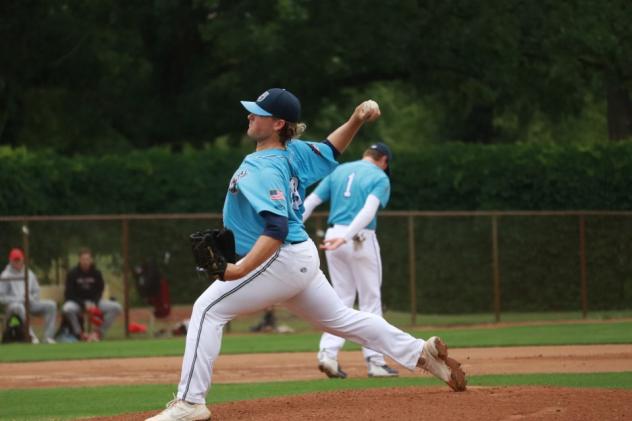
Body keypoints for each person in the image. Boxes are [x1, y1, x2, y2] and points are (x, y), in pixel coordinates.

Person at [146, 88, 466, 421]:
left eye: (258, 112)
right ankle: (421, 352)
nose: (249, 115)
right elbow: (331, 148)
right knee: (343, 319)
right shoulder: (293, 152)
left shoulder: (266, 167)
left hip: (281, 257)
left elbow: (276, 229)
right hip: (299, 258)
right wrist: (356, 119)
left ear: (278, 122)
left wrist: (239, 270)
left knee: (207, 309)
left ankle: (191, 402)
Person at [302, 142, 397, 378]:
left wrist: (287, 229)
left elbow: (310, 202)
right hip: (358, 237)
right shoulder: (380, 176)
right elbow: (367, 212)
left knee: (341, 301)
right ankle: (375, 361)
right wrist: (347, 237)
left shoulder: (340, 170)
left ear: (367, 154)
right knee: (370, 302)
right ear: (383, 160)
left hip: (333, 236)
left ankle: (328, 354)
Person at [62, 248, 122, 341]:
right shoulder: (72, 273)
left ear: (91, 260)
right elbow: (69, 294)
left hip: (95, 302)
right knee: (67, 308)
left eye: (87, 259)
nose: (85, 262)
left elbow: (100, 290)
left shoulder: (96, 273)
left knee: (117, 307)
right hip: (78, 303)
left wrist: (94, 303)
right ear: (79, 260)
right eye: (83, 259)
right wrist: (83, 304)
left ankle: (98, 333)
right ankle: (80, 334)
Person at [0, 248, 57, 344]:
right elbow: (1, 298)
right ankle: (31, 337)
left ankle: (48, 337)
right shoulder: (5, 276)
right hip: (13, 307)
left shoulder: (29, 274)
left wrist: (31, 298)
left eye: (19, 259)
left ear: (23, 259)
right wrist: (18, 299)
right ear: (10, 260)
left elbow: (36, 291)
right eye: (15, 260)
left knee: (51, 305)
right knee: (19, 307)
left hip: (30, 303)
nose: (17, 262)